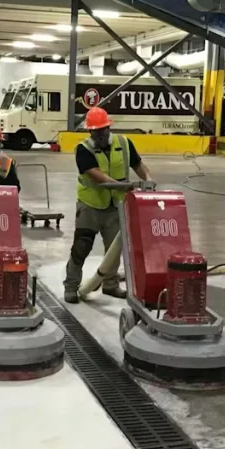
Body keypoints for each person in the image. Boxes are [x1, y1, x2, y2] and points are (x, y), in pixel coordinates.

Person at [63, 107, 151, 303]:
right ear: (89, 131)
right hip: (90, 206)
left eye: (102, 130)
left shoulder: (124, 143)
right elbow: (95, 174)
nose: (99, 134)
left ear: (108, 127)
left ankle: (110, 285)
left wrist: (148, 179)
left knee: (114, 249)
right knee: (81, 247)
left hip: (115, 207)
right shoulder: (83, 149)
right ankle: (71, 285)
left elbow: (138, 164)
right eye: (95, 131)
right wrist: (123, 186)